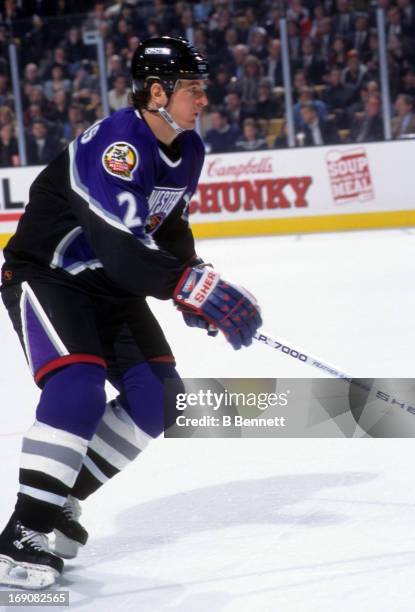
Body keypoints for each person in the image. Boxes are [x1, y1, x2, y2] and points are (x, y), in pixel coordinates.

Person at [0, 36, 261, 590]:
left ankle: (57, 501)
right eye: (193, 89)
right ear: (157, 92)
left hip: (110, 285)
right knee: (78, 386)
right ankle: (23, 532)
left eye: (203, 88)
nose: (204, 99)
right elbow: (119, 242)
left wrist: (193, 275)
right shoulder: (116, 145)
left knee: (159, 398)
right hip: (49, 275)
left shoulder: (188, 148)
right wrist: (182, 285)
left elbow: (166, 224)